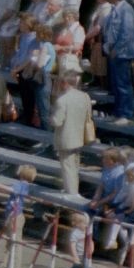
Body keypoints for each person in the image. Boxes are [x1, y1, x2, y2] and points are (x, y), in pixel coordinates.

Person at [50, 70, 93, 198]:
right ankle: (72, 189)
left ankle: (72, 192)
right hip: (78, 135)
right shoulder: (84, 96)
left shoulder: (62, 100)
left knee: (68, 166)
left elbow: (57, 121)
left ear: (64, 83)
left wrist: (50, 117)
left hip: (66, 137)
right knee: (74, 165)